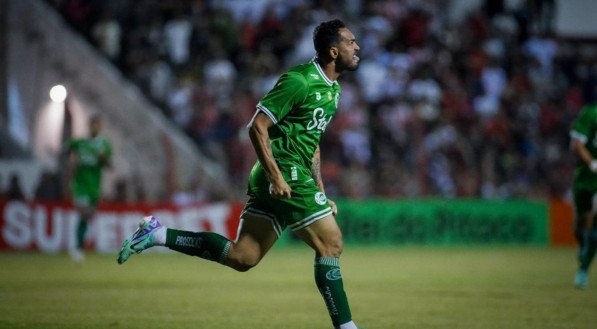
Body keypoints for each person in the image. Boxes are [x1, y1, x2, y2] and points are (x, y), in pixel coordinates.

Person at [118, 19, 362, 329]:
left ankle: (156, 234)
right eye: (350, 42)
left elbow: (311, 144)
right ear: (333, 50)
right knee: (331, 243)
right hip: (283, 170)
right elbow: (257, 126)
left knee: (243, 257)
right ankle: (346, 327)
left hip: (288, 173)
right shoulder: (300, 81)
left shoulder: (333, 90)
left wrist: (321, 191)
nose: (357, 47)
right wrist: (276, 176)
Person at [65, 114, 112, 262]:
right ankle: (77, 248)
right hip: (80, 185)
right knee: (84, 212)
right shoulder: (79, 143)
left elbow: (109, 166)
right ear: (89, 126)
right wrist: (69, 167)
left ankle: (78, 246)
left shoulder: (104, 145)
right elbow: (64, 149)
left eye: (98, 125)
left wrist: (103, 158)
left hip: (95, 188)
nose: (95, 128)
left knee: (86, 217)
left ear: (100, 127)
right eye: (93, 124)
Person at [570, 101, 597, 289]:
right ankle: (582, 242)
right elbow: (577, 144)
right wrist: (592, 163)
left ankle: (583, 270)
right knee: (582, 224)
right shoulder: (590, 113)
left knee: (594, 230)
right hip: (585, 179)